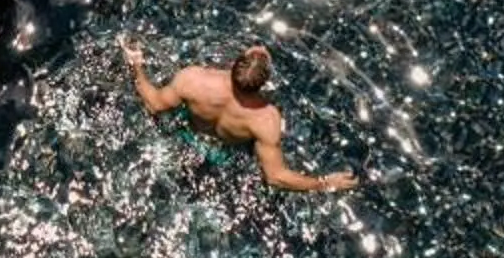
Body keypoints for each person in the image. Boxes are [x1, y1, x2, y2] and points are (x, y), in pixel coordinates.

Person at [120, 39, 355, 193]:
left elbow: (154, 104)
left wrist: (136, 64)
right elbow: (275, 176)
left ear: (234, 64)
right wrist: (324, 183)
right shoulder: (266, 119)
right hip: (223, 158)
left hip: (184, 135)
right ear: (264, 83)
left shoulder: (193, 79)